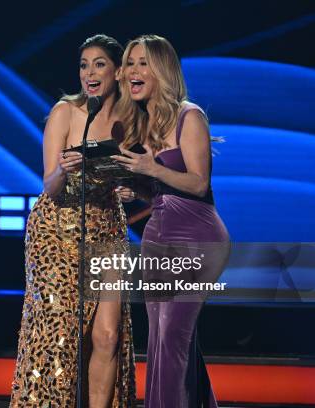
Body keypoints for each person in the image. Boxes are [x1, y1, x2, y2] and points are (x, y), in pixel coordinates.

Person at [10, 34, 136, 407]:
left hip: (108, 229)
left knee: (108, 336)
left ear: (117, 71)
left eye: (99, 64)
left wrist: (130, 189)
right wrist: (65, 168)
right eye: (84, 65)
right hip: (56, 231)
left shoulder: (131, 119)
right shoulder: (66, 112)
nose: (90, 73)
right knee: (59, 335)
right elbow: (49, 185)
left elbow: (139, 176)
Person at [111, 34, 230, 407]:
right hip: (158, 235)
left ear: (161, 69)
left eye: (142, 62)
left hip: (198, 236)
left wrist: (150, 168)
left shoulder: (190, 115)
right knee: (166, 339)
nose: (132, 71)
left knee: (172, 336)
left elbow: (197, 184)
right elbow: (163, 191)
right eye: (129, 63)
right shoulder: (143, 124)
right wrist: (138, 193)